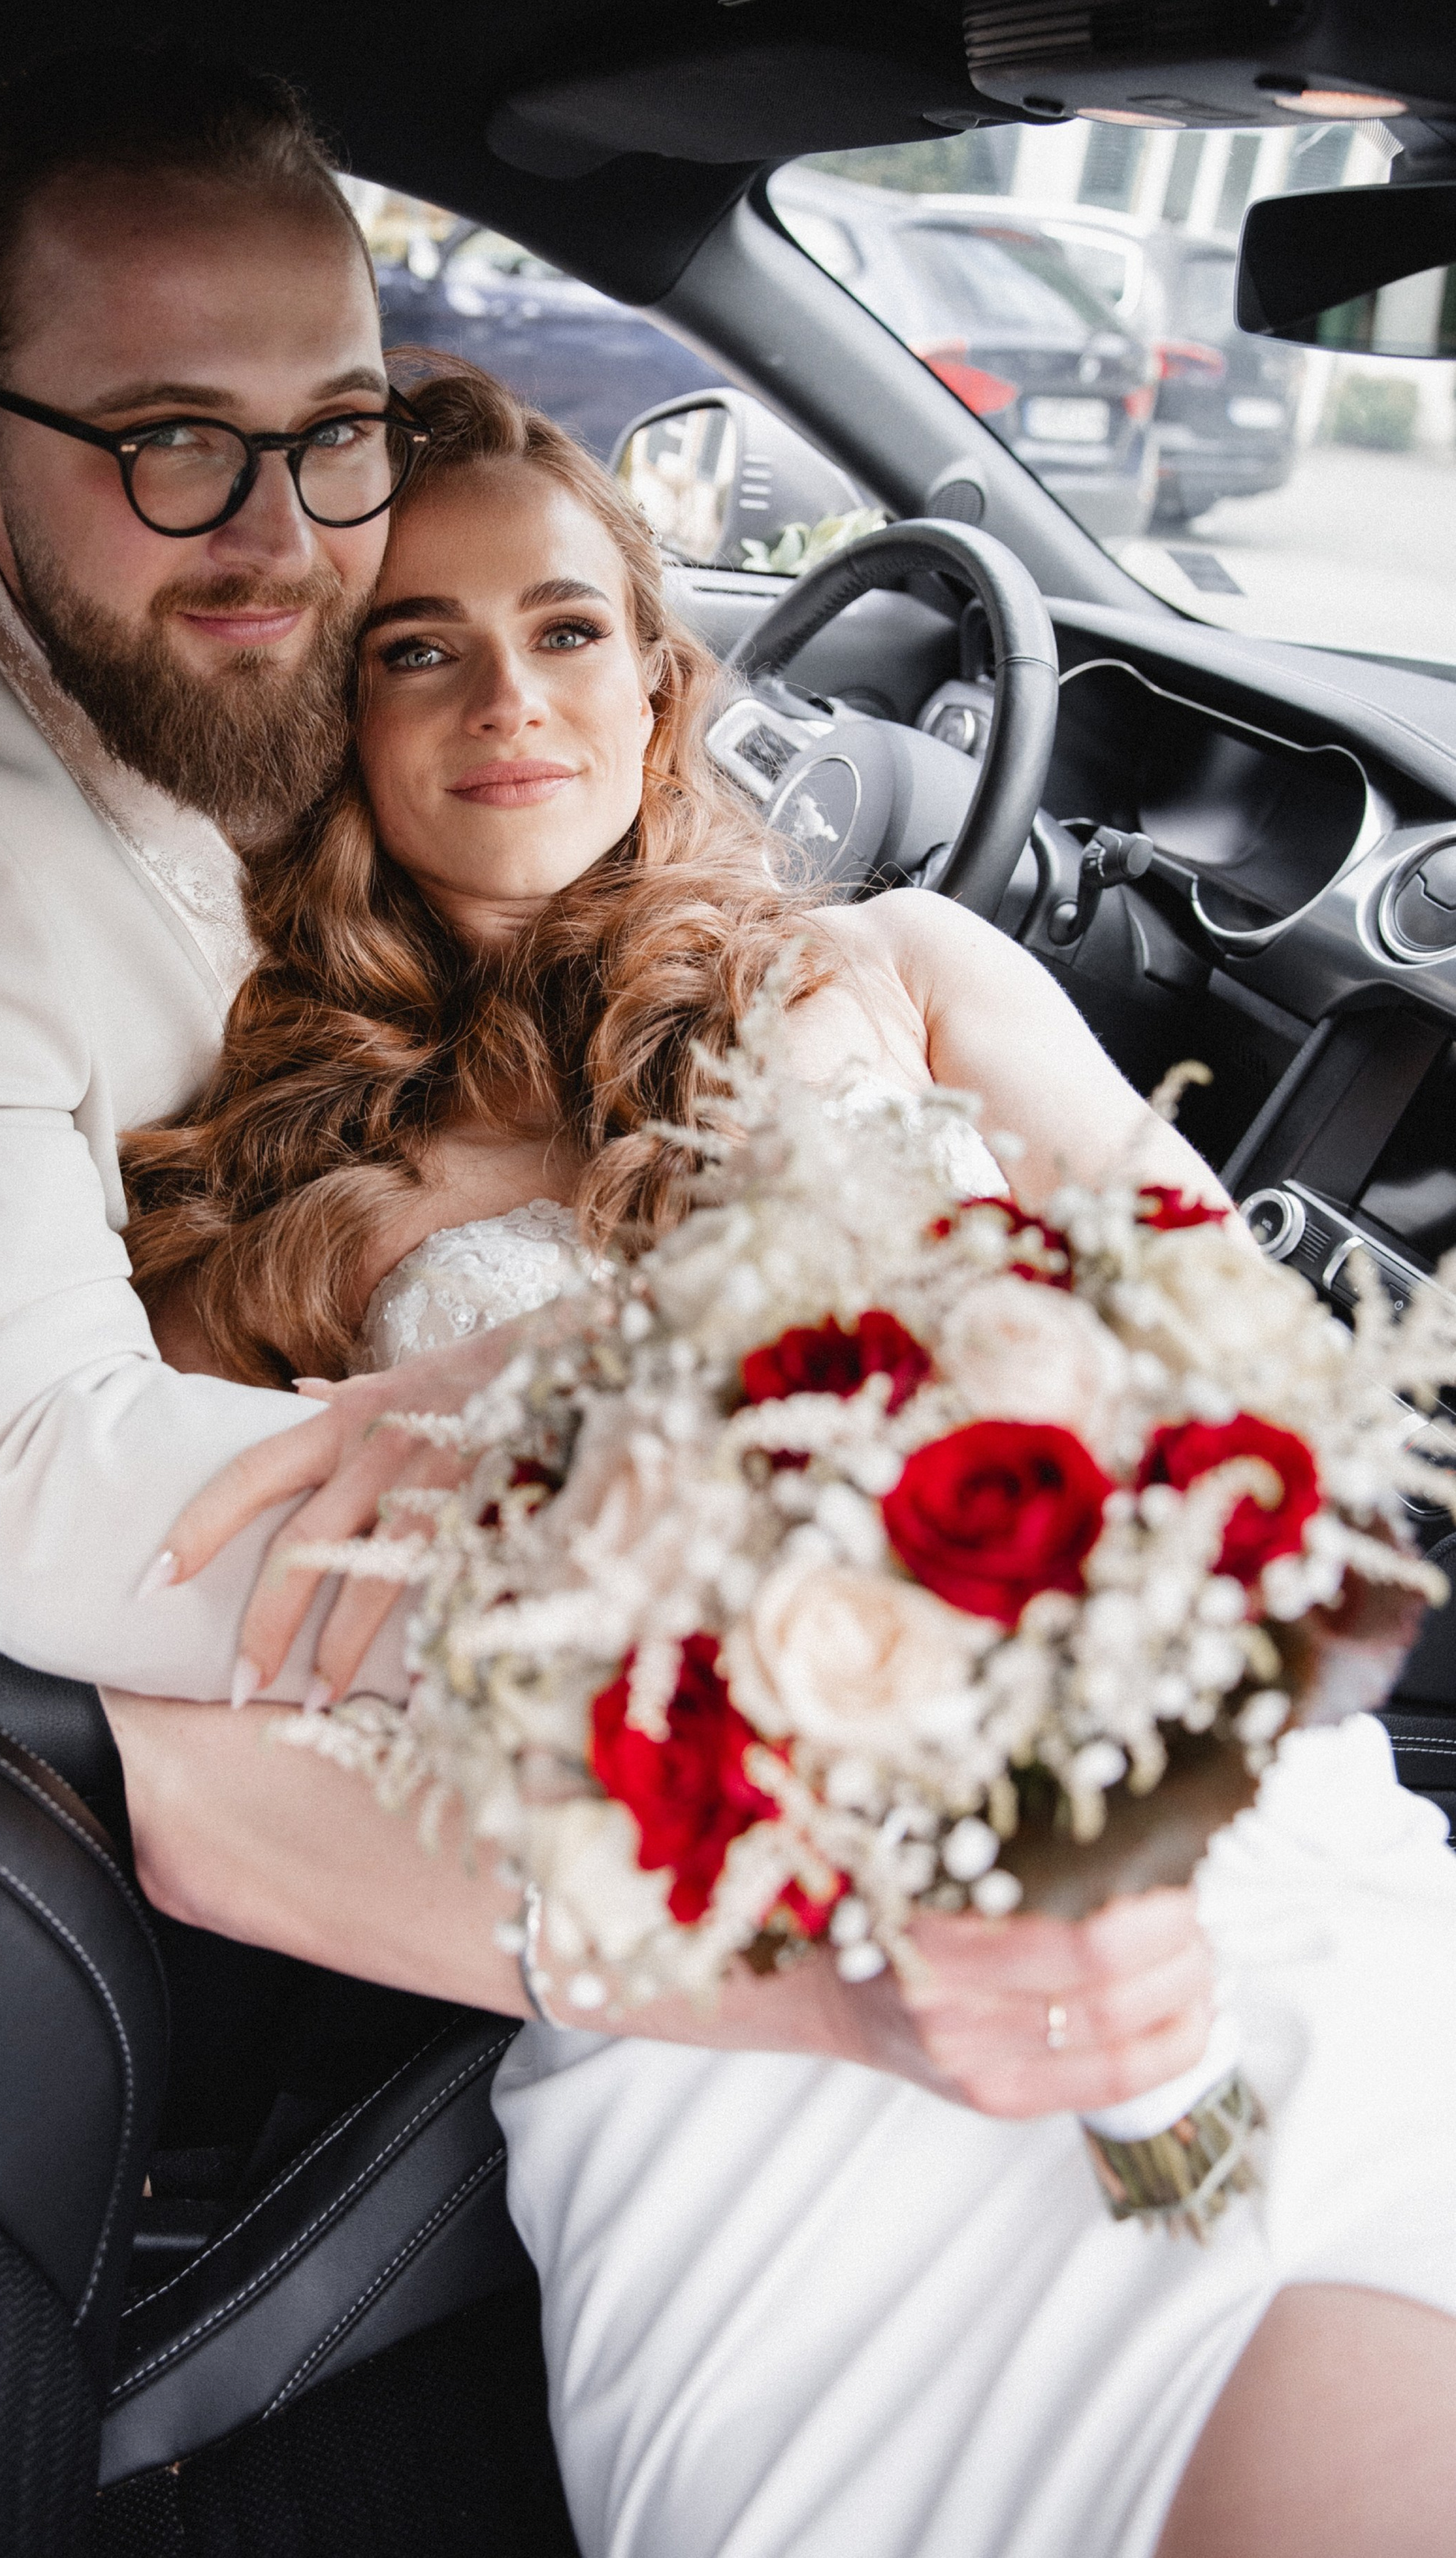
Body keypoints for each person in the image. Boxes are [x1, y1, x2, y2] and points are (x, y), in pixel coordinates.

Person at [0, 54, 1203, 2136]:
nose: (287, 542)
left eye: (336, 433)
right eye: (173, 442)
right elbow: (48, 1493)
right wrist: (708, 1505)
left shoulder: (801, 939)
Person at [107, 363, 1456, 2558]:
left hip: (1228, 1861)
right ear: (329, 729)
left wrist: (1120, 1698)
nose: (503, 702)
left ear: (660, 687)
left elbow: (1277, 1404)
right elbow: (199, 1800)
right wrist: (827, 1984)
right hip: (745, 2039)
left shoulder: (903, 969)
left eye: (563, 630)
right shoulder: (270, 1231)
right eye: (413, 650)